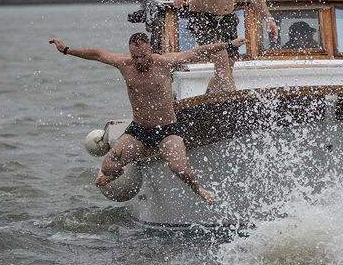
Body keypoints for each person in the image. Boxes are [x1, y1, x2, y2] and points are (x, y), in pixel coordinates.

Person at [48, 33, 249, 205]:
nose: (139, 61)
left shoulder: (164, 62)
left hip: (167, 129)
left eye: (143, 56)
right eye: (135, 57)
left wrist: (228, 45)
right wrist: (66, 50)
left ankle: (198, 189)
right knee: (108, 167)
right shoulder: (124, 64)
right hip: (139, 130)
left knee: (178, 167)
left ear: (151, 50)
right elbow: (97, 54)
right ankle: (116, 173)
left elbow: (196, 52)